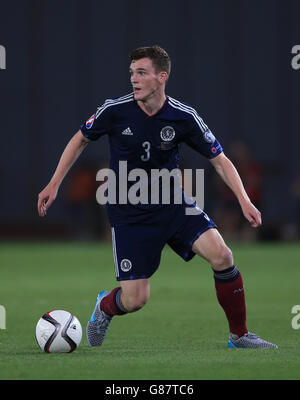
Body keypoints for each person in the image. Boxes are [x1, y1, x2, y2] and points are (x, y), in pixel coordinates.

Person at [37, 45, 277, 349]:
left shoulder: (183, 116)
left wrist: (243, 199)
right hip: (130, 213)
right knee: (136, 299)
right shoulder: (115, 110)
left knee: (223, 255)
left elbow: (220, 159)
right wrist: (55, 182)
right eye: (132, 73)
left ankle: (239, 335)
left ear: (161, 76)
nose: (134, 79)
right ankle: (105, 306)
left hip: (172, 204)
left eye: (142, 73)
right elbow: (80, 139)